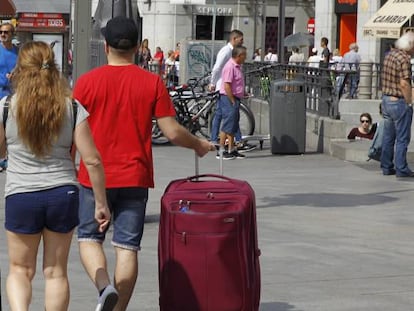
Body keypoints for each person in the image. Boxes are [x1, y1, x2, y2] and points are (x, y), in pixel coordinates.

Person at [73, 16, 214, 311]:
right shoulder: (151, 83)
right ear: (137, 47)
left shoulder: (86, 83)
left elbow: (73, 134)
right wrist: (198, 144)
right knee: (126, 247)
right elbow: (173, 131)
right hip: (135, 176)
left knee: (88, 238)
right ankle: (117, 308)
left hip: (92, 176)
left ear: (107, 45)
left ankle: (104, 288)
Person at [0, 41, 109, 311]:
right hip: (63, 194)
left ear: (20, 70)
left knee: (19, 269)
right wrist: (100, 203)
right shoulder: (71, 107)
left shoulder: (6, 106)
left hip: (21, 194)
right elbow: (92, 159)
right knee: (56, 271)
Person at [208, 29, 255, 152]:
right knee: (226, 117)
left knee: (229, 117)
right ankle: (222, 144)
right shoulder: (226, 51)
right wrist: (212, 83)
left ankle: (233, 143)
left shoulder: (234, 54)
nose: (242, 41)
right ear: (234, 39)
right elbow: (217, 67)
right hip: (223, 88)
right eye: (241, 39)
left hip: (228, 89)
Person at [380, 31, 414, 177]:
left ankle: (386, 166)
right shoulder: (403, 59)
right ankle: (401, 168)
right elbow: (404, 83)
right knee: (402, 137)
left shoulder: (389, 55)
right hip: (398, 101)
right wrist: (409, 102)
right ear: (409, 45)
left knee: (388, 137)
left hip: (386, 99)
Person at [217, 46, 248, 160]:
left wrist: (243, 92)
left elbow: (237, 83)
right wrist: (232, 100)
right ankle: (221, 150)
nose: (246, 57)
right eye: (244, 55)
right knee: (227, 124)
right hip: (228, 98)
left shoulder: (238, 67)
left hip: (235, 97)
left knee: (233, 125)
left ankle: (231, 148)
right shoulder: (230, 67)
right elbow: (227, 85)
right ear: (239, 56)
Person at [0, 22, 18, 98]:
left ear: (13, 34)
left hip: (15, 95)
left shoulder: (19, 51)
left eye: (6, 32)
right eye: (0, 32)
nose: (2, 34)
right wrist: (4, 77)